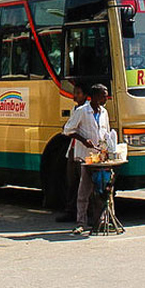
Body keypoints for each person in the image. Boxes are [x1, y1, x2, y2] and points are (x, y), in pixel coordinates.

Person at [64, 83, 110, 235]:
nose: (106, 98)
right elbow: (68, 130)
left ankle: (101, 221)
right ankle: (81, 222)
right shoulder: (82, 111)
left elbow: (106, 133)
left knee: (102, 190)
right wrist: (83, 140)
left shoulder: (104, 112)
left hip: (100, 157)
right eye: (104, 95)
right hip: (86, 157)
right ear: (95, 97)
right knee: (84, 191)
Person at [56, 82, 89, 223]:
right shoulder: (76, 109)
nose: (75, 96)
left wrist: (70, 130)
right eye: (75, 92)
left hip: (83, 151)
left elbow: (70, 129)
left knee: (85, 185)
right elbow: (68, 128)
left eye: (78, 93)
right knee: (72, 182)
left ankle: (85, 214)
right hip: (73, 149)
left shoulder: (87, 110)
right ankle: (71, 211)